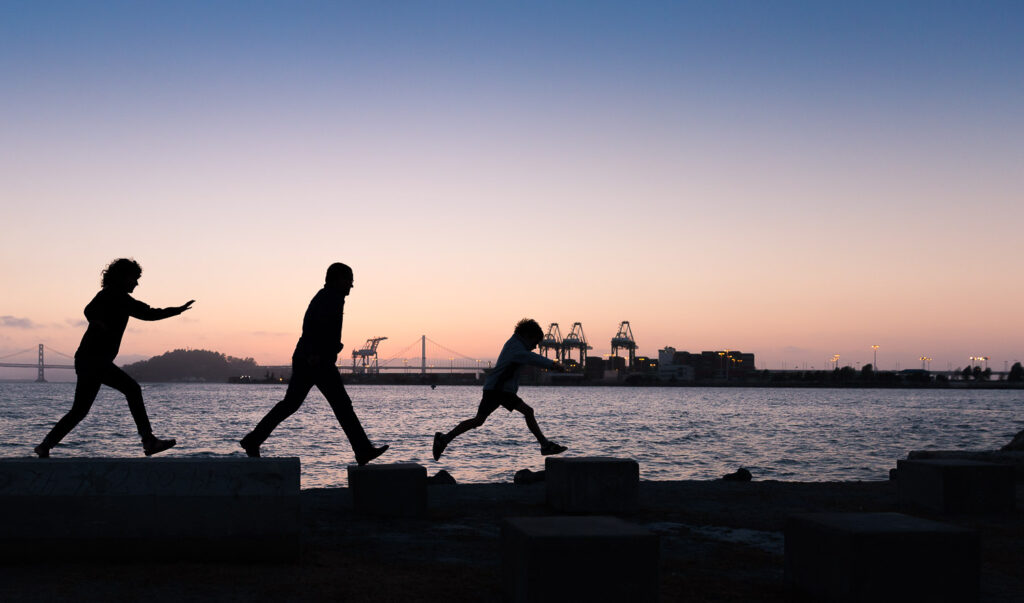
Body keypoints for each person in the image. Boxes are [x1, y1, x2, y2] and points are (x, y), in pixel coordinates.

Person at [34, 259, 193, 457]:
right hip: (95, 360)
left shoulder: (117, 297)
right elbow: (91, 310)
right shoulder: (114, 295)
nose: (136, 283)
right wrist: (97, 321)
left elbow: (147, 314)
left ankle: (45, 446)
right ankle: (149, 441)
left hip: (87, 359)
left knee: (80, 410)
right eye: (135, 279)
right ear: (124, 277)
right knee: (132, 389)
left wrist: (176, 310)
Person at [240, 263, 388, 465]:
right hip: (316, 361)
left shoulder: (328, 297)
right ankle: (362, 450)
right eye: (349, 280)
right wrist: (316, 353)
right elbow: (311, 327)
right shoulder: (329, 298)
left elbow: (316, 328)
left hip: (312, 359)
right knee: (341, 406)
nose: (352, 286)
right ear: (337, 279)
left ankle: (253, 440)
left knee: (292, 405)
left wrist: (329, 348)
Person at [433, 318, 567, 461]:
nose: (535, 346)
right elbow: (531, 357)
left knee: (478, 420)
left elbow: (527, 357)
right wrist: (553, 364)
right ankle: (545, 445)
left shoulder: (515, 345)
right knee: (528, 412)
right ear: (527, 335)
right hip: (499, 390)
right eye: (534, 342)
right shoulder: (516, 347)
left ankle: (444, 439)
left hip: (497, 389)